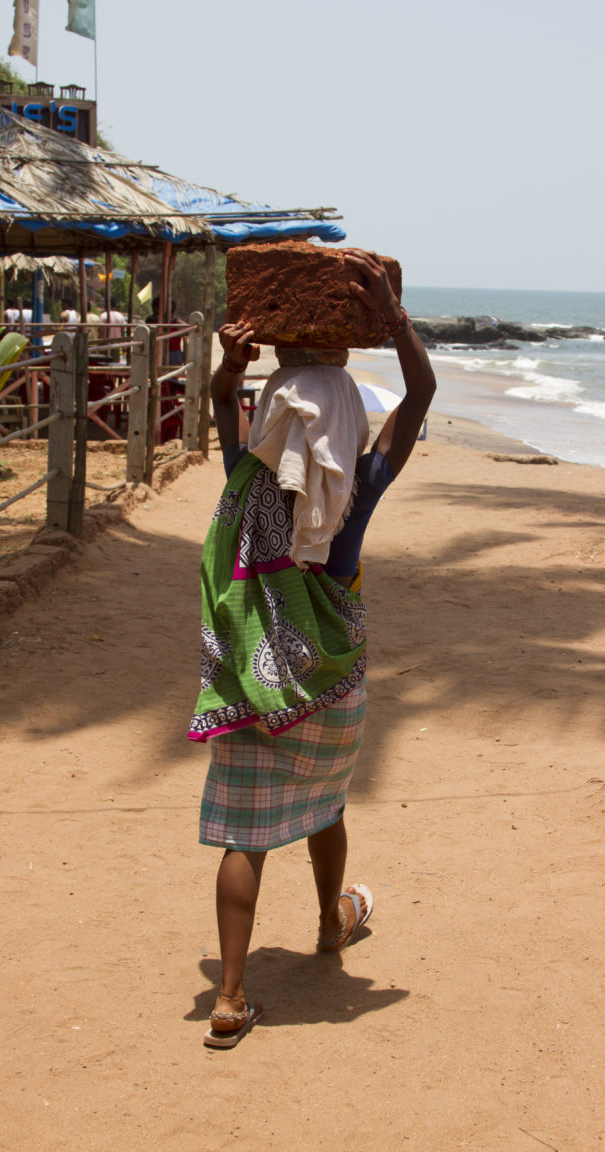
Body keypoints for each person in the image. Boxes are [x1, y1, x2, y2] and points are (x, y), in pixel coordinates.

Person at [190, 249, 436, 1047]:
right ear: (346, 421)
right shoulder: (358, 484)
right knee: (326, 806)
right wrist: (392, 317)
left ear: (274, 418)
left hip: (250, 683)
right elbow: (421, 395)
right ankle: (333, 927)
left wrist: (232, 367)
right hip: (331, 682)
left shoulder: (243, 476)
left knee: (244, 834)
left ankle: (229, 998)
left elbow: (222, 406)